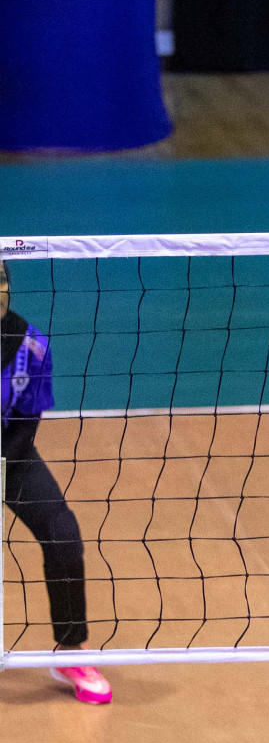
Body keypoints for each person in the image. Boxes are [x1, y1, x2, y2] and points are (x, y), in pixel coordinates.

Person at [0, 260, 111, 704]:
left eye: (2, 278)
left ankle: (71, 649)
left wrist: (4, 462)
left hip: (11, 453)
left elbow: (28, 419)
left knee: (64, 535)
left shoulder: (30, 344)